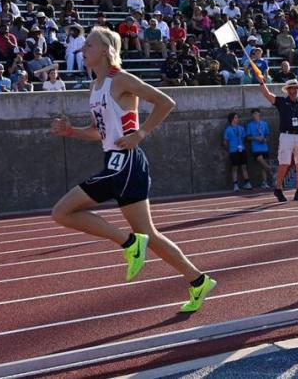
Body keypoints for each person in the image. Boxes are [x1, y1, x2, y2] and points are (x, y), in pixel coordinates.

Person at [49, 27, 216, 313]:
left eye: (89, 44)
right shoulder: (95, 87)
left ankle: (128, 242)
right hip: (118, 161)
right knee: (148, 232)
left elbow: (166, 102)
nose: (83, 49)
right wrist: (72, 132)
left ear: (105, 50)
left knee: (62, 212)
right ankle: (198, 280)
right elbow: (100, 133)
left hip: (124, 162)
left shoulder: (121, 79)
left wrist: (141, 133)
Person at [256, 78, 298, 202]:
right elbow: (267, 95)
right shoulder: (281, 101)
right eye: (291, 88)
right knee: (284, 163)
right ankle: (278, 188)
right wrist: (261, 82)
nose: (293, 90)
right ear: (287, 90)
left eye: (295, 88)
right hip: (286, 135)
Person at [245, 109, 275, 189]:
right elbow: (247, 137)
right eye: (254, 114)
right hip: (256, 147)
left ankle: (264, 182)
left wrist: (265, 139)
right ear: (252, 116)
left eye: (256, 114)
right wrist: (256, 138)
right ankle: (273, 173)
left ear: (259, 114)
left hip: (264, 147)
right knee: (261, 160)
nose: (255, 115)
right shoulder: (250, 125)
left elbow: (267, 135)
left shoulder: (264, 124)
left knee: (263, 166)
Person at [223, 112, 252, 192]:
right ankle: (235, 185)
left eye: (237, 117)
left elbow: (244, 137)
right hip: (233, 150)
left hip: (242, 150)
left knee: (244, 166)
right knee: (234, 168)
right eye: (235, 117)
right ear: (232, 119)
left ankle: (247, 183)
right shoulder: (228, 129)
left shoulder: (241, 128)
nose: (237, 119)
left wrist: (241, 145)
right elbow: (225, 141)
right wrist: (229, 149)